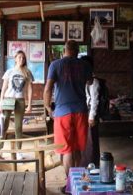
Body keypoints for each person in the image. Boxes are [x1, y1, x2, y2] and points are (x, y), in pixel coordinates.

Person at [43, 40, 92, 193]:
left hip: (62, 112)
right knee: (78, 148)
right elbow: (90, 82)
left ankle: (70, 186)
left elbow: (48, 89)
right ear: (77, 51)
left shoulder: (55, 65)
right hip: (81, 111)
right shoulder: (84, 65)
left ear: (65, 50)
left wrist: (48, 108)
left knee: (67, 150)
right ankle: (79, 184)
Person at [0, 50, 32, 157]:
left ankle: (19, 151)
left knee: (18, 126)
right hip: (8, 99)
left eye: (23, 58)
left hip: (20, 100)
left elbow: (30, 89)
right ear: (15, 59)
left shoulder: (27, 72)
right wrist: (0, 103)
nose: (21, 59)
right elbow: (3, 88)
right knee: (4, 124)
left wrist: (29, 104)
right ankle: (0, 148)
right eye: (19, 57)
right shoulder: (9, 72)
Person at [80, 55, 100, 168]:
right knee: (88, 140)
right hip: (86, 113)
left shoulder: (94, 81)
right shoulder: (86, 80)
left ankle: (92, 163)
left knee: (91, 140)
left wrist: (91, 117)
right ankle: (89, 162)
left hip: (90, 114)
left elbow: (94, 100)